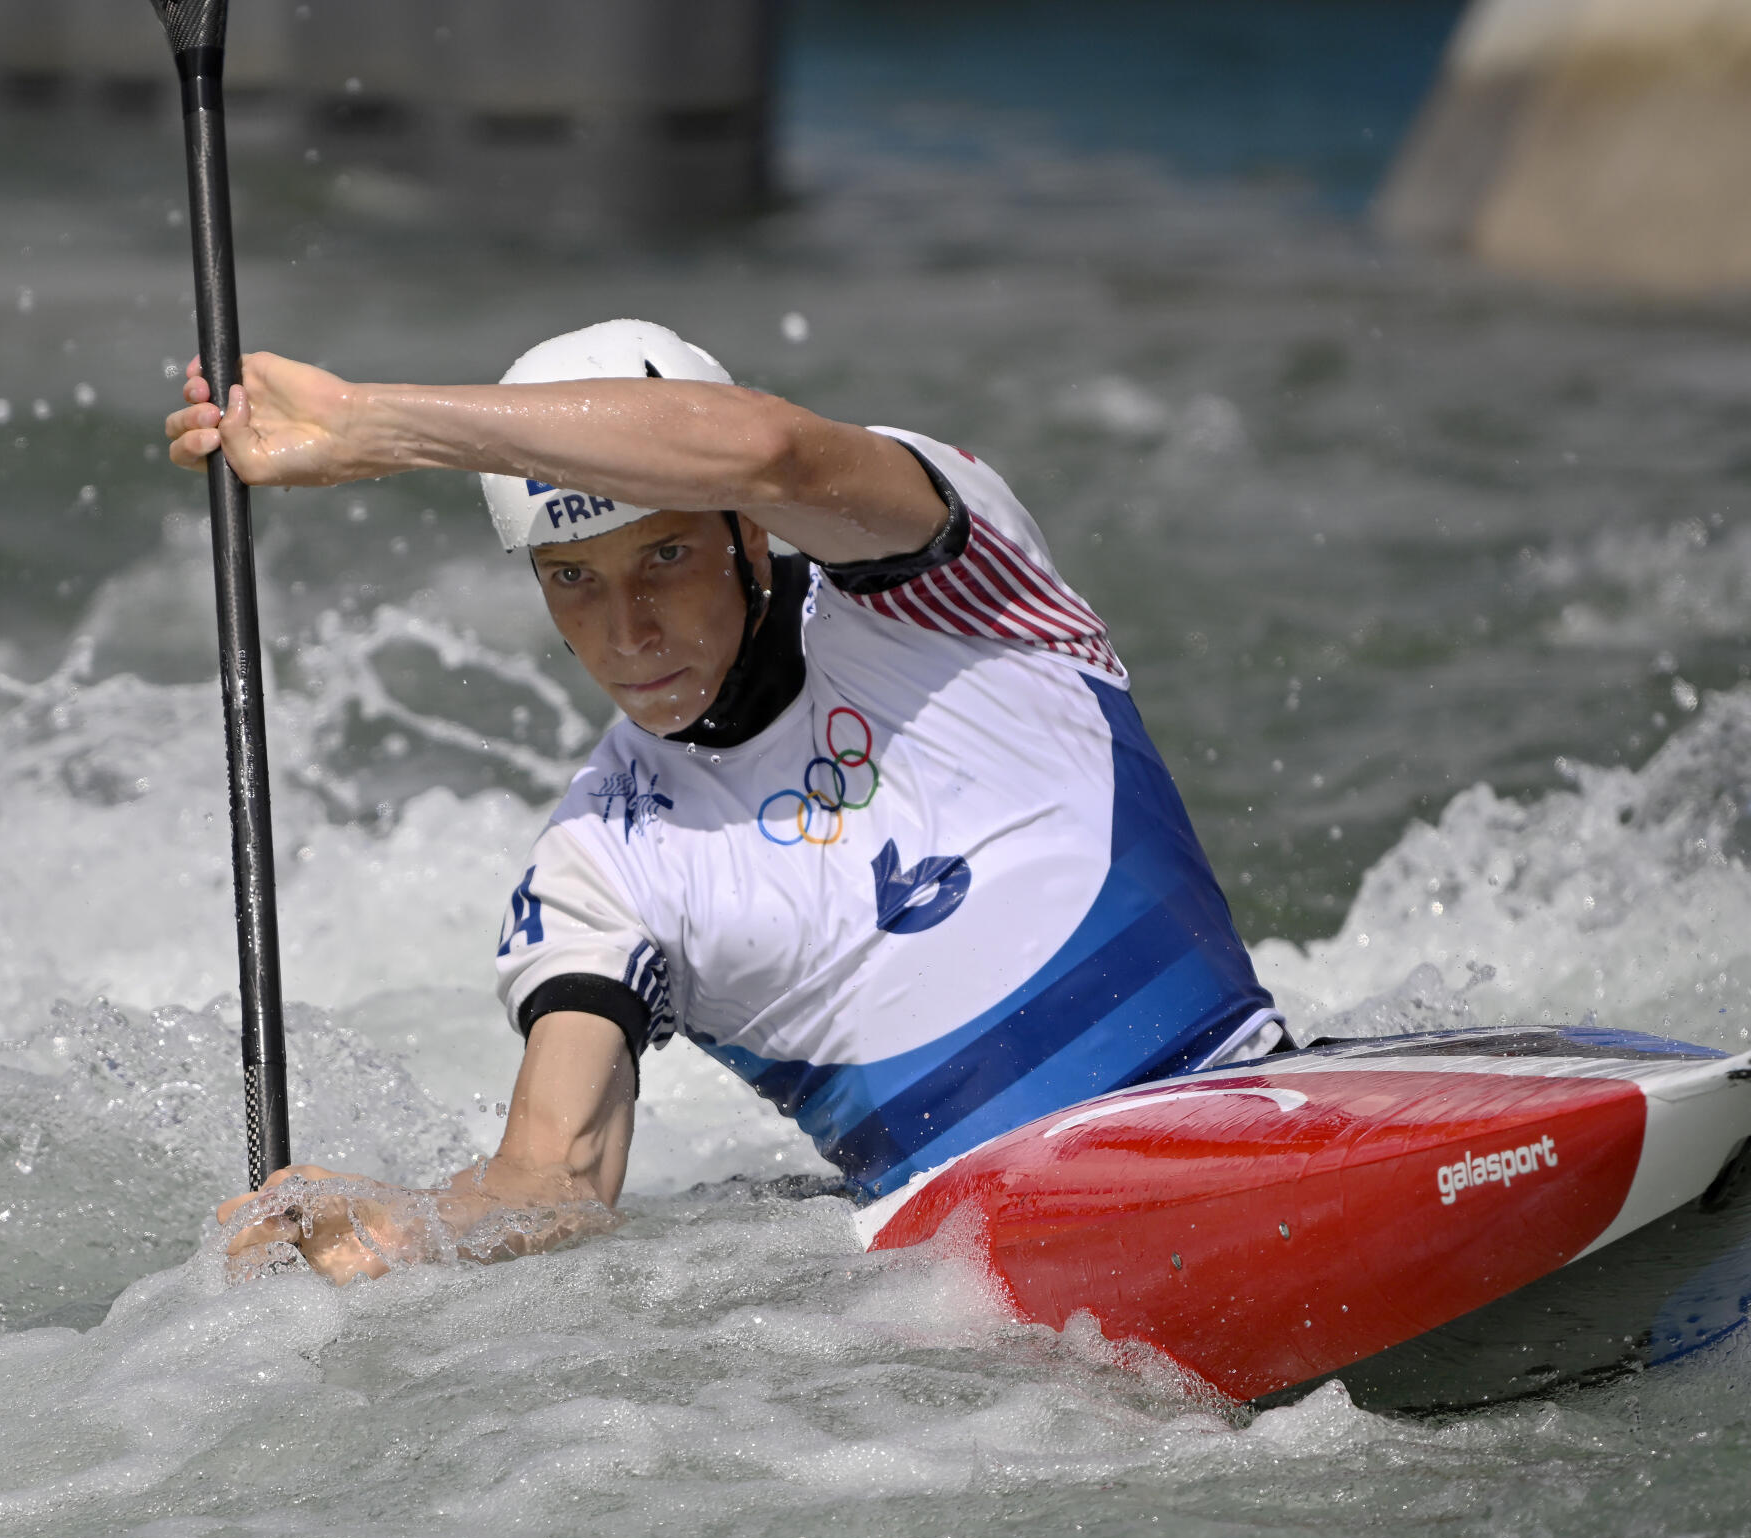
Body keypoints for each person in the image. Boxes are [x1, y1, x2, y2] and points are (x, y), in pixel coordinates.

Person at [165, 319, 1283, 1282]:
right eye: (575, 581)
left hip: (1250, 1114)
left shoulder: (945, 586)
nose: (627, 629)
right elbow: (554, 1174)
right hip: (991, 1277)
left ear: (747, 535)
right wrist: (401, 1231)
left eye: (663, 557)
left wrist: (383, 425)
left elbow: (769, 449)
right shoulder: (603, 861)